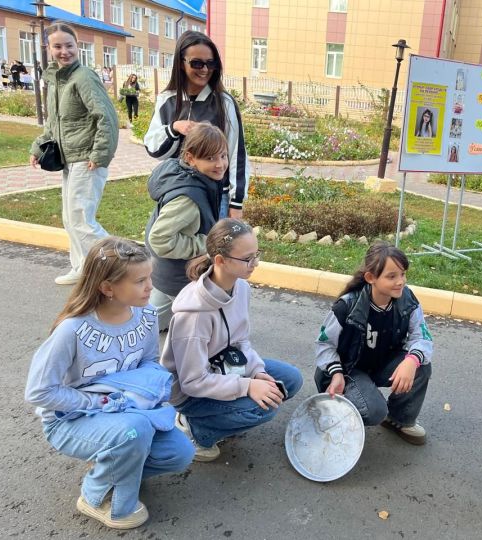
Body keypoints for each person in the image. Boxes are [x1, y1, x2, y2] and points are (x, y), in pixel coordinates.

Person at [24, 237, 195, 530]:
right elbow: (39, 391)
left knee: (180, 453)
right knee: (134, 431)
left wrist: (142, 393)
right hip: (71, 421)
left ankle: (113, 463)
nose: (150, 286)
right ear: (107, 288)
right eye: (140, 280)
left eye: (150, 277)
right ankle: (94, 497)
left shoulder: (147, 315)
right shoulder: (73, 329)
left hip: (124, 413)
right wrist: (98, 402)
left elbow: (149, 361)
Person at [160, 218, 303, 461]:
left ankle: (222, 416)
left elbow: (241, 341)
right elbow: (192, 382)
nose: (255, 263)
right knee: (263, 409)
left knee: (290, 380)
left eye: (256, 254)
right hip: (191, 395)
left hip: (225, 368)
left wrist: (257, 372)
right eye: (248, 258)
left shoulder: (240, 287)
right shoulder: (194, 316)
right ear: (220, 261)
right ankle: (196, 430)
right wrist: (247, 386)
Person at [314, 242, 433, 445]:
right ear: (371, 278)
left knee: (421, 366)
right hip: (346, 371)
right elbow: (324, 345)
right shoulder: (347, 306)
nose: (400, 282)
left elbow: (422, 336)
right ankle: (336, 411)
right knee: (374, 410)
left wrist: (412, 360)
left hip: (380, 365)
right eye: (391, 276)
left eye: (403, 274)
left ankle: (398, 419)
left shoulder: (407, 299)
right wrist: (335, 372)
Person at [29, 23, 118, 286]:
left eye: (69, 45)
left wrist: (100, 154)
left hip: (88, 159)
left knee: (80, 218)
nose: (64, 51)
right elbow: (54, 123)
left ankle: (120, 264)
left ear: (77, 46)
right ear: (49, 48)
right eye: (58, 46)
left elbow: (107, 117)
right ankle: (82, 268)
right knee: (71, 218)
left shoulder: (84, 77)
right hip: (71, 159)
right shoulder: (57, 79)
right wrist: (38, 147)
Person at [144, 30, 248, 220]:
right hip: (177, 192)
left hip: (216, 195)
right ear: (181, 63)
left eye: (211, 63)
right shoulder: (167, 100)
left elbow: (236, 153)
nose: (205, 69)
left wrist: (236, 202)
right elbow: (153, 148)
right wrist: (174, 128)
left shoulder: (223, 103)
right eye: (197, 63)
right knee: (177, 246)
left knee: (211, 247)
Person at [145, 122, 227, 331]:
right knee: (207, 327)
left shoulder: (191, 175)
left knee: (149, 321)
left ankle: (131, 337)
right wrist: (205, 244)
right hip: (180, 274)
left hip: (167, 271)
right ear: (190, 158)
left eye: (223, 156)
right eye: (210, 158)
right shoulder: (188, 197)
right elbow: (160, 239)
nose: (220, 164)